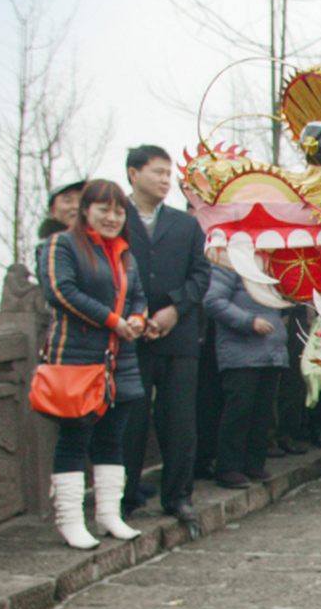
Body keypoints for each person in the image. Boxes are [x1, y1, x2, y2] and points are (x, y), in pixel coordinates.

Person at [43, 181, 149, 548]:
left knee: (111, 440)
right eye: (103, 209)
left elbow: (137, 295)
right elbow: (61, 291)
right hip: (77, 357)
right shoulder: (62, 245)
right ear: (86, 210)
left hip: (119, 358)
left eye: (119, 211)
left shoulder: (124, 254)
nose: (112, 217)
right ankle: (70, 520)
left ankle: (108, 515)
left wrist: (137, 317)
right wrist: (112, 320)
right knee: (74, 438)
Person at [116, 145, 211, 524]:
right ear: (133, 174)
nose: (164, 180)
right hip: (130, 335)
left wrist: (174, 308)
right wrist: (135, 316)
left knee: (179, 420)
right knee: (130, 421)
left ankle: (177, 495)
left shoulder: (186, 225)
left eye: (168, 173)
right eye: (157, 172)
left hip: (179, 335)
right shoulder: (116, 220)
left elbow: (201, 275)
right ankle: (125, 496)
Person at [202, 266, 289, 489]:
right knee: (239, 409)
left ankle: (253, 463)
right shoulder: (229, 263)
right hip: (241, 350)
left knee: (262, 410)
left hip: (272, 350)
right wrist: (249, 322)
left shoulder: (272, 263)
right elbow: (213, 301)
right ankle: (228, 467)